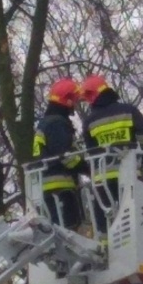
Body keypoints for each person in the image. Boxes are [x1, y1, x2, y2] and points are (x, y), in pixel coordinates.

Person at [79, 74, 143, 246]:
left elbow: (91, 151)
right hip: (128, 173)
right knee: (132, 213)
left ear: (94, 95)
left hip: (102, 177)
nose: (88, 102)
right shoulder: (128, 110)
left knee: (104, 216)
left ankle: (106, 248)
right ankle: (134, 244)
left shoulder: (89, 121)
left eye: (88, 97)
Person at [32, 78, 87, 230]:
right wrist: (87, 168)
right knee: (70, 231)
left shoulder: (45, 123)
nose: (75, 104)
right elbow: (65, 156)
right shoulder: (57, 123)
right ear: (67, 100)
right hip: (61, 188)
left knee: (59, 233)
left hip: (48, 187)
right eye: (74, 100)